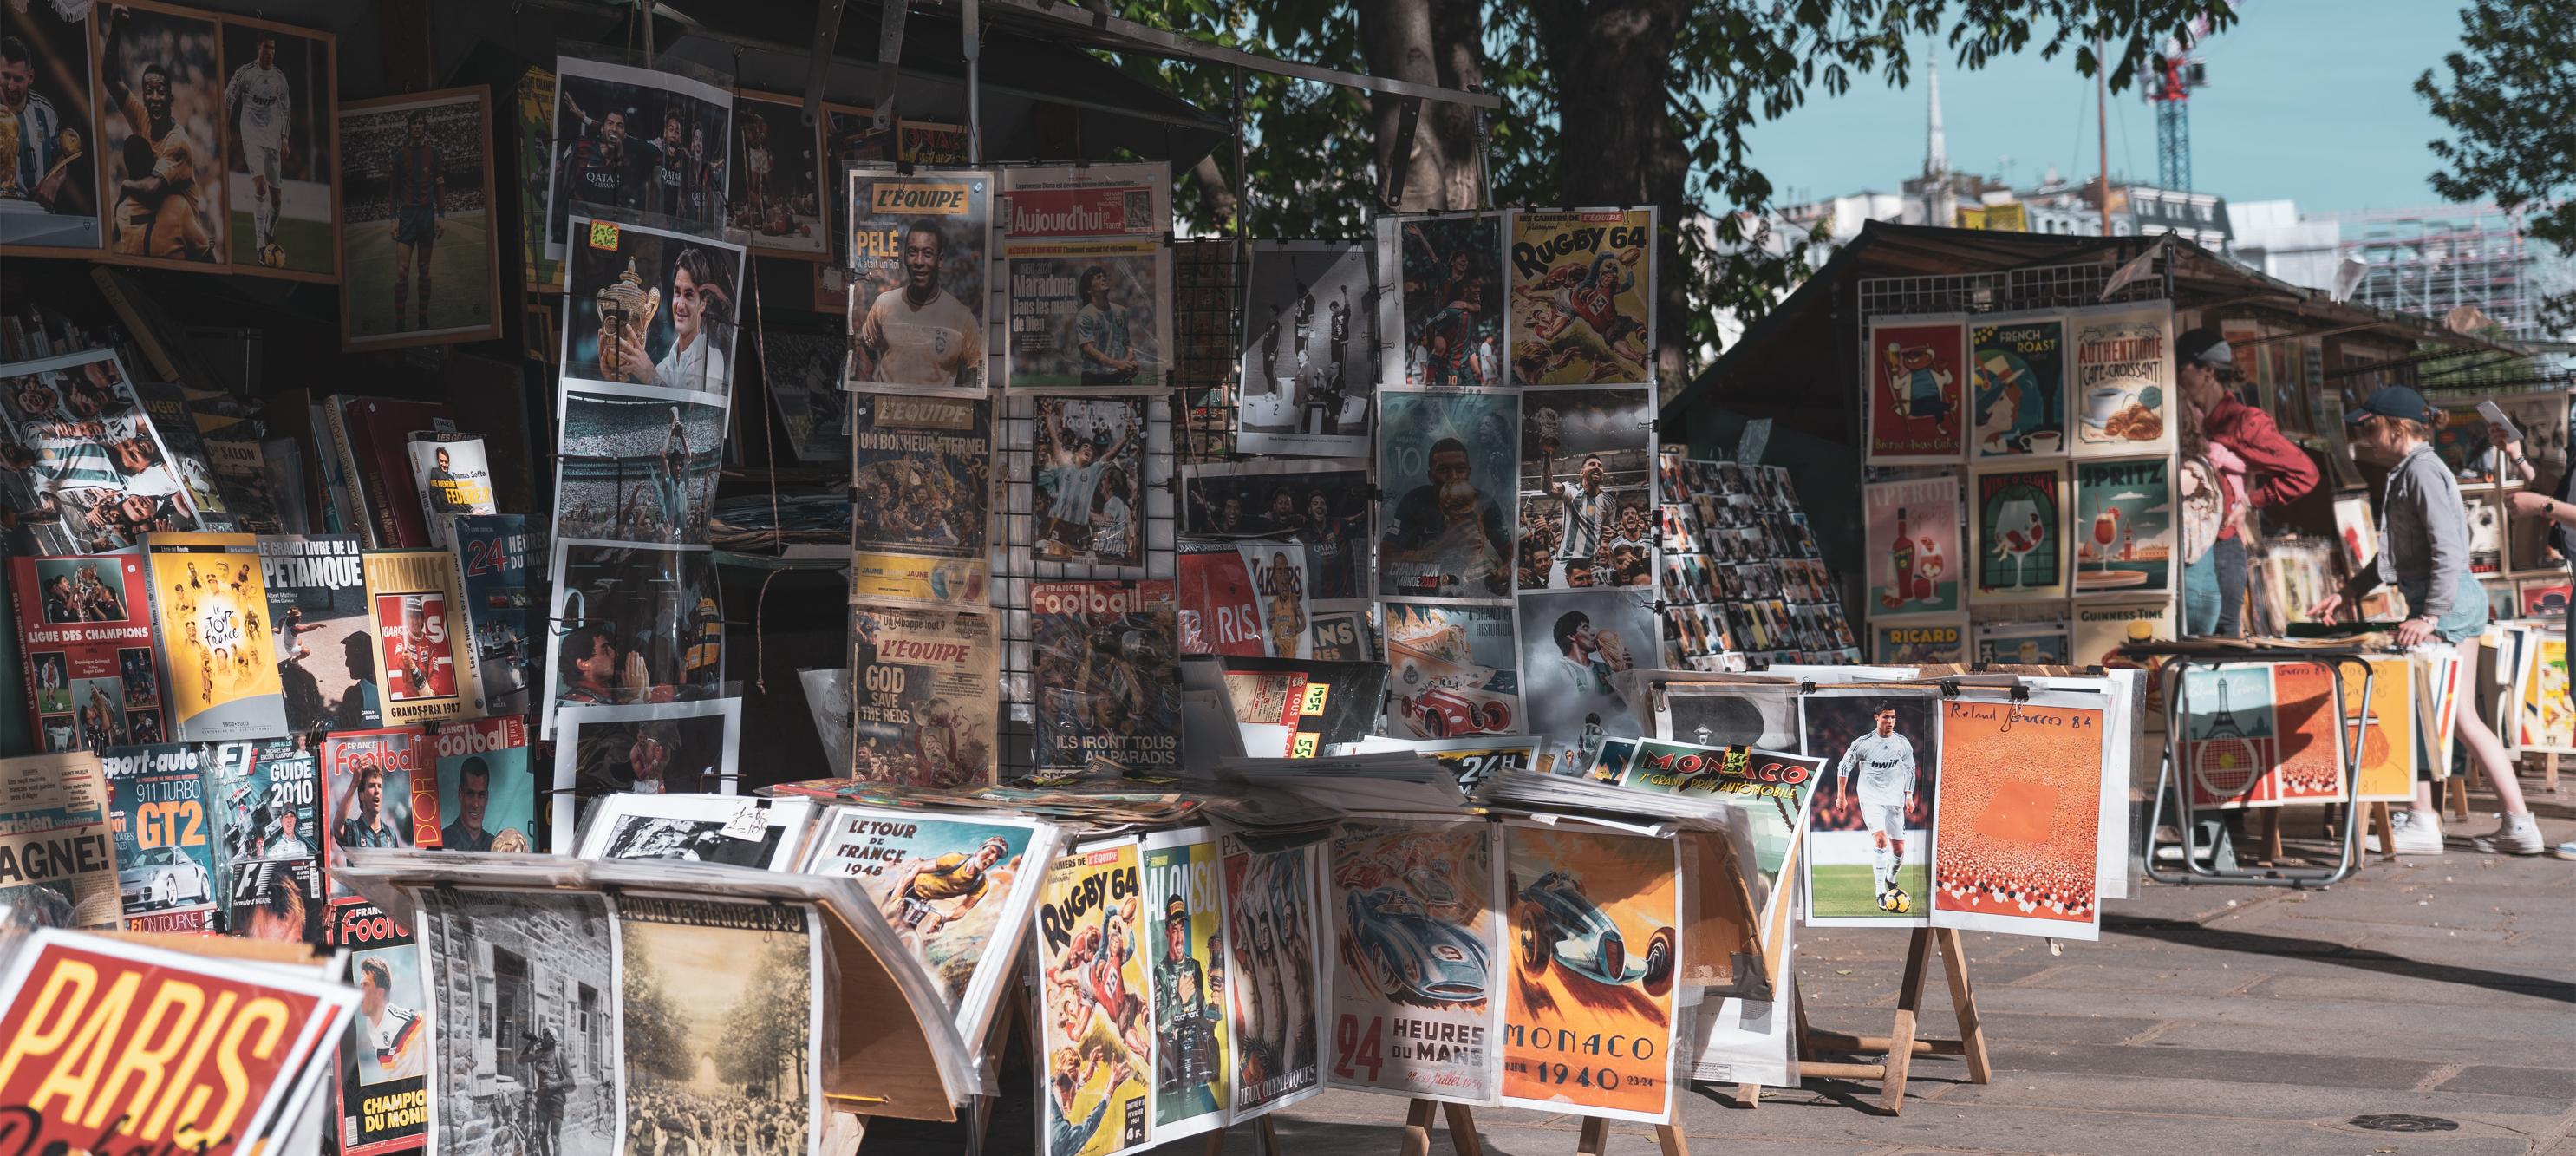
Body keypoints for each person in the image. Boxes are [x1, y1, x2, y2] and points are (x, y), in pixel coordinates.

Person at [2307, 386, 2539, 855]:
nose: (2366, 438)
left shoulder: (2423, 472)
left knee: (2421, 713)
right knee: (2456, 717)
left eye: (2370, 427)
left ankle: (2425, 821)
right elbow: (2395, 554)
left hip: (2446, 609)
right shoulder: (2413, 470)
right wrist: (2348, 592)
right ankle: (2516, 824)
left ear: (2396, 426)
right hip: (2451, 606)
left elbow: (2449, 548)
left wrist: (2430, 615)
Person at [2175, 327, 2318, 635]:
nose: (2175, 377)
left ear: (2207, 372)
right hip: (2189, 553)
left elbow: (2305, 473)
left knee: (2217, 643)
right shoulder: (2187, 419)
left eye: (2181, 369)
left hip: (2222, 550)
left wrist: (2250, 502)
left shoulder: (2243, 422)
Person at [100, 7, 212, 260]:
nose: (155, 97)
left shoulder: (178, 143)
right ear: (143, 95)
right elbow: (110, 78)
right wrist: (115, 29)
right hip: (154, 224)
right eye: (149, 91)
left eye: (161, 91)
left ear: (171, 98)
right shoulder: (142, 117)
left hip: (183, 235)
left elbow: (152, 188)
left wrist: (125, 186)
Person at [854, 218, 983, 387]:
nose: (919, 262)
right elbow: (866, 349)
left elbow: (976, 371)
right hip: (887, 412)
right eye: (912, 252)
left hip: (937, 413)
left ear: (940, 260)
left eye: (927, 254)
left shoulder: (961, 317)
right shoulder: (884, 304)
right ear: (905, 256)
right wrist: (864, 399)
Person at [1382, 437, 1510, 598]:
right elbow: (1384, 559)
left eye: (1460, 469)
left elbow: (1509, 551)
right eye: (1443, 470)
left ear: (1468, 472)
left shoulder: (1485, 502)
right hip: (1423, 598)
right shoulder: (1416, 501)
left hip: (1470, 598)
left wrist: (1505, 569)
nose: (1453, 476)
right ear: (1431, 475)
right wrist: (1438, 550)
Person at [1834, 704, 1921, 909]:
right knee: (1881, 841)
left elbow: (1911, 769)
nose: (1890, 721)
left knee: (1899, 851)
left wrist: (1909, 796)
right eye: (1885, 717)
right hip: (1871, 798)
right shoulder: (1863, 743)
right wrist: (1841, 796)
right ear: (1876, 717)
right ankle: (1880, 891)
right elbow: (1844, 766)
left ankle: (1891, 878)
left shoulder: (1902, 743)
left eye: (1893, 717)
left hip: (1895, 800)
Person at [2175, 394, 2243, 636]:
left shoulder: (2192, 471)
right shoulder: (2196, 466)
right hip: (2192, 589)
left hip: (2192, 592)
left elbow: (2160, 492)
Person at [225, 33, 291, 266]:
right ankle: (260, 245)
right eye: (266, 47)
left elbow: (286, 109)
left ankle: (271, 231)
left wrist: (284, 138)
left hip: (272, 139)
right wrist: (226, 127)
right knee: (260, 187)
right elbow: (228, 98)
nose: (270, 52)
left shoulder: (280, 79)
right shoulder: (246, 74)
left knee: (278, 200)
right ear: (258, 48)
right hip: (251, 136)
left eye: (273, 48)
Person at [384, 110, 443, 330]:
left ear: (425, 128)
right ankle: (400, 322)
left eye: (421, 123)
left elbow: (440, 186)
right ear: (409, 127)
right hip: (407, 216)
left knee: (424, 268)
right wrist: (393, 219)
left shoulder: (434, 153)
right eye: (414, 123)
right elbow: (392, 191)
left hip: (427, 215)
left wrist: (442, 216)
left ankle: (422, 318)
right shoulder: (399, 156)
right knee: (402, 270)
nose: (417, 126)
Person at [356, 956, 427, 1081]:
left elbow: (427, 1022)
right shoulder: (370, 1023)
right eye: (360, 985)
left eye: (366, 985)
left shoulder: (404, 1023)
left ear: (380, 993)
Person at [1073, 265, 1141, 385]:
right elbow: (1089, 350)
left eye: (1104, 276)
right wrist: (1118, 364)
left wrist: (1130, 360)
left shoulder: (1121, 311)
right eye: (1098, 277)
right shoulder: (1084, 315)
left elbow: (1126, 342)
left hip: (1120, 375)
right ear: (1089, 290)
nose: (1104, 279)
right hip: (1095, 377)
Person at [331, 754, 404, 849]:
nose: (377, 791)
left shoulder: (390, 834)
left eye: (379, 786)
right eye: (372, 786)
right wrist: (354, 783)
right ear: (362, 796)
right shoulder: (353, 829)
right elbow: (337, 826)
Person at [522, 1028, 571, 1156]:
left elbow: (571, 1080)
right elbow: (520, 1060)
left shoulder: (560, 1055)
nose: (542, 1037)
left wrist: (555, 1084)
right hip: (543, 1100)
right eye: (543, 1035)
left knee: (555, 1137)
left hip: (557, 1100)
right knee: (541, 1134)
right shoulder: (539, 1053)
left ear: (552, 1039)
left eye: (545, 1035)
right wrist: (530, 1043)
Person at [440, 756, 496, 852]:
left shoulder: (495, 845)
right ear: (460, 794)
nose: (476, 804)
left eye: (481, 795)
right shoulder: (441, 842)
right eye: (470, 794)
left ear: (487, 798)